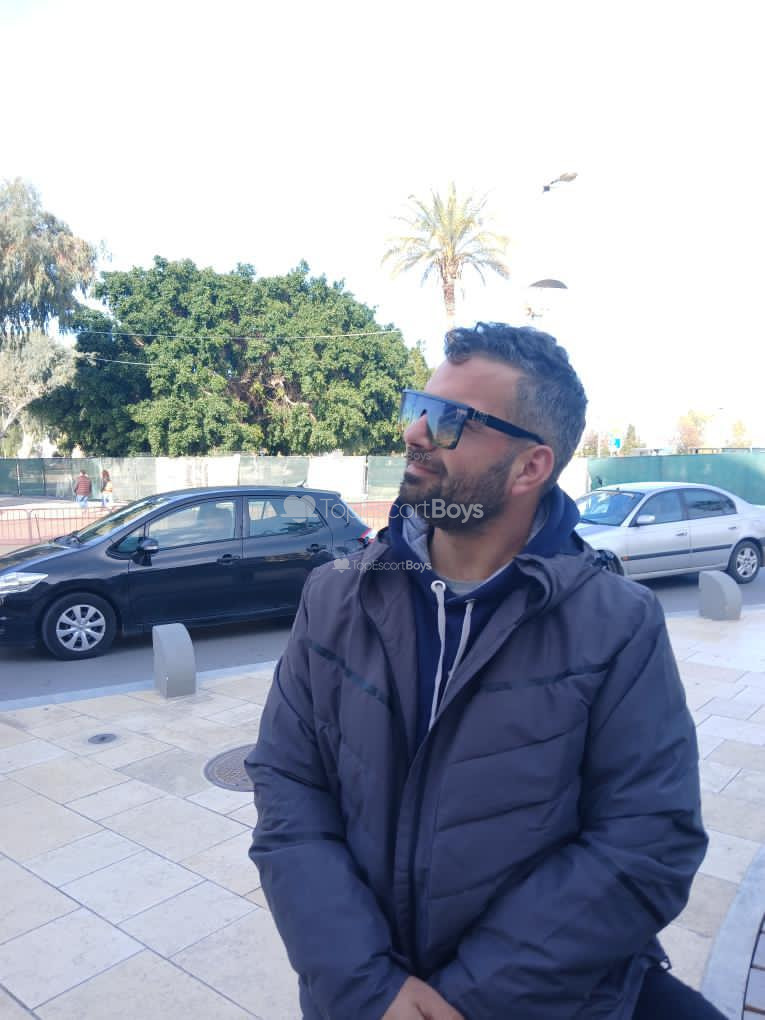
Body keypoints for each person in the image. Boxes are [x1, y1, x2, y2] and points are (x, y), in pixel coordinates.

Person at [245, 323, 721, 1020]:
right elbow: (289, 787)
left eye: (448, 420)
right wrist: (367, 984)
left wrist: (467, 999)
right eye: (418, 407)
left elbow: (647, 842)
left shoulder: (618, 624)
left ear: (530, 468)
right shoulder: (335, 595)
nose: (414, 433)